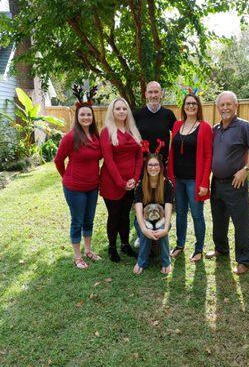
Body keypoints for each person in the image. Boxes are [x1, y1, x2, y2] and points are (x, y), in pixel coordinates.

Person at [206, 90, 249, 274]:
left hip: (235, 183)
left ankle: (243, 260)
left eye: (228, 104)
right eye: (222, 105)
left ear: (236, 105)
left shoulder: (244, 127)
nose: (225, 108)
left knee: (241, 222)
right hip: (216, 182)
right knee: (219, 219)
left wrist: (245, 170)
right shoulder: (215, 129)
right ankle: (221, 249)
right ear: (217, 107)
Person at [54, 98, 102, 269]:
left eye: (89, 114)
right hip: (75, 188)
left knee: (89, 220)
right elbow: (58, 160)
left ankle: (88, 250)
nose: (86, 117)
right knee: (77, 221)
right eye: (82, 114)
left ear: (92, 117)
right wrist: (65, 176)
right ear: (77, 116)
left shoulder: (96, 137)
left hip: (92, 187)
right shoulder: (70, 137)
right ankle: (77, 256)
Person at [168, 93, 213, 262]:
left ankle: (199, 248)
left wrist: (204, 182)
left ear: (198, 106)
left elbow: (208, 156)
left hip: (194, 180)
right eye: (188, 103)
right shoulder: (177, 125)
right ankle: (180, 245)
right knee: (180, 213)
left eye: (194, 103)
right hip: (178, 179)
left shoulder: (205, 127)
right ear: (183, 106)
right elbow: (173, 151)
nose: (191, 106)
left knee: (196, 214)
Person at [100, 97, 143, 263]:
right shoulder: (107, 132)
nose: (121, 112)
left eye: (124, 109)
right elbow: (108, 161)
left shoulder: (133, 130)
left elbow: (139, 156)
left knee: (125, 215)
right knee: (114, 215)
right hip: (112, 183)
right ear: (112, 111)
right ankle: (112, 247)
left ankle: (125, 244)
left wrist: (135, 178)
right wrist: (121, 182)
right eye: (118, 109)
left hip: (130, 182)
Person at [133, 154, 173, 275]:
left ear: (160, 167)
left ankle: (166, 261)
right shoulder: (140, 185)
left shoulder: (167, 184)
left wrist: (165, 228)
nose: (153, 168)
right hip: (143, 219)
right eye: (150, 165)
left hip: (161, 220)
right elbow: (138, 211)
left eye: (156, 164)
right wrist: (144, 229)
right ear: (146, 168)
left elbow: (168, 209)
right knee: (146, 230)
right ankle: (142, 261)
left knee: (161, 230)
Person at [133, 81, 177, 167]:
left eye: (156, 92)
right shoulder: (137, 115)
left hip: (162, 165)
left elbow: (178, 137)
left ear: (161, 94)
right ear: (146, 94)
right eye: (150, 92)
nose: (153, 95)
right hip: (142, 165)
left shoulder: (168, 114)